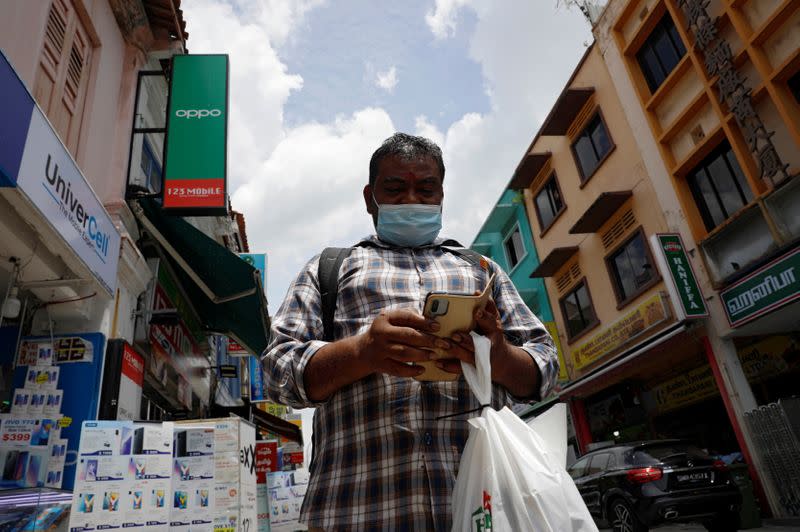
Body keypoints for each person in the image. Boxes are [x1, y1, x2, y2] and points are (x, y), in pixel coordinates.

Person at [263, 133, 559, 531]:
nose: (412, 201)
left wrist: (498, 355)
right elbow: (277, 372)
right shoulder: (329, 268)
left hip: (484, 510)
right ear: (370, 198)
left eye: (426, 189)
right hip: (355, 512)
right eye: (395, 189)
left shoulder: (482, 270)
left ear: (441, 196)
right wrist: (363, 352)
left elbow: (545, 367)